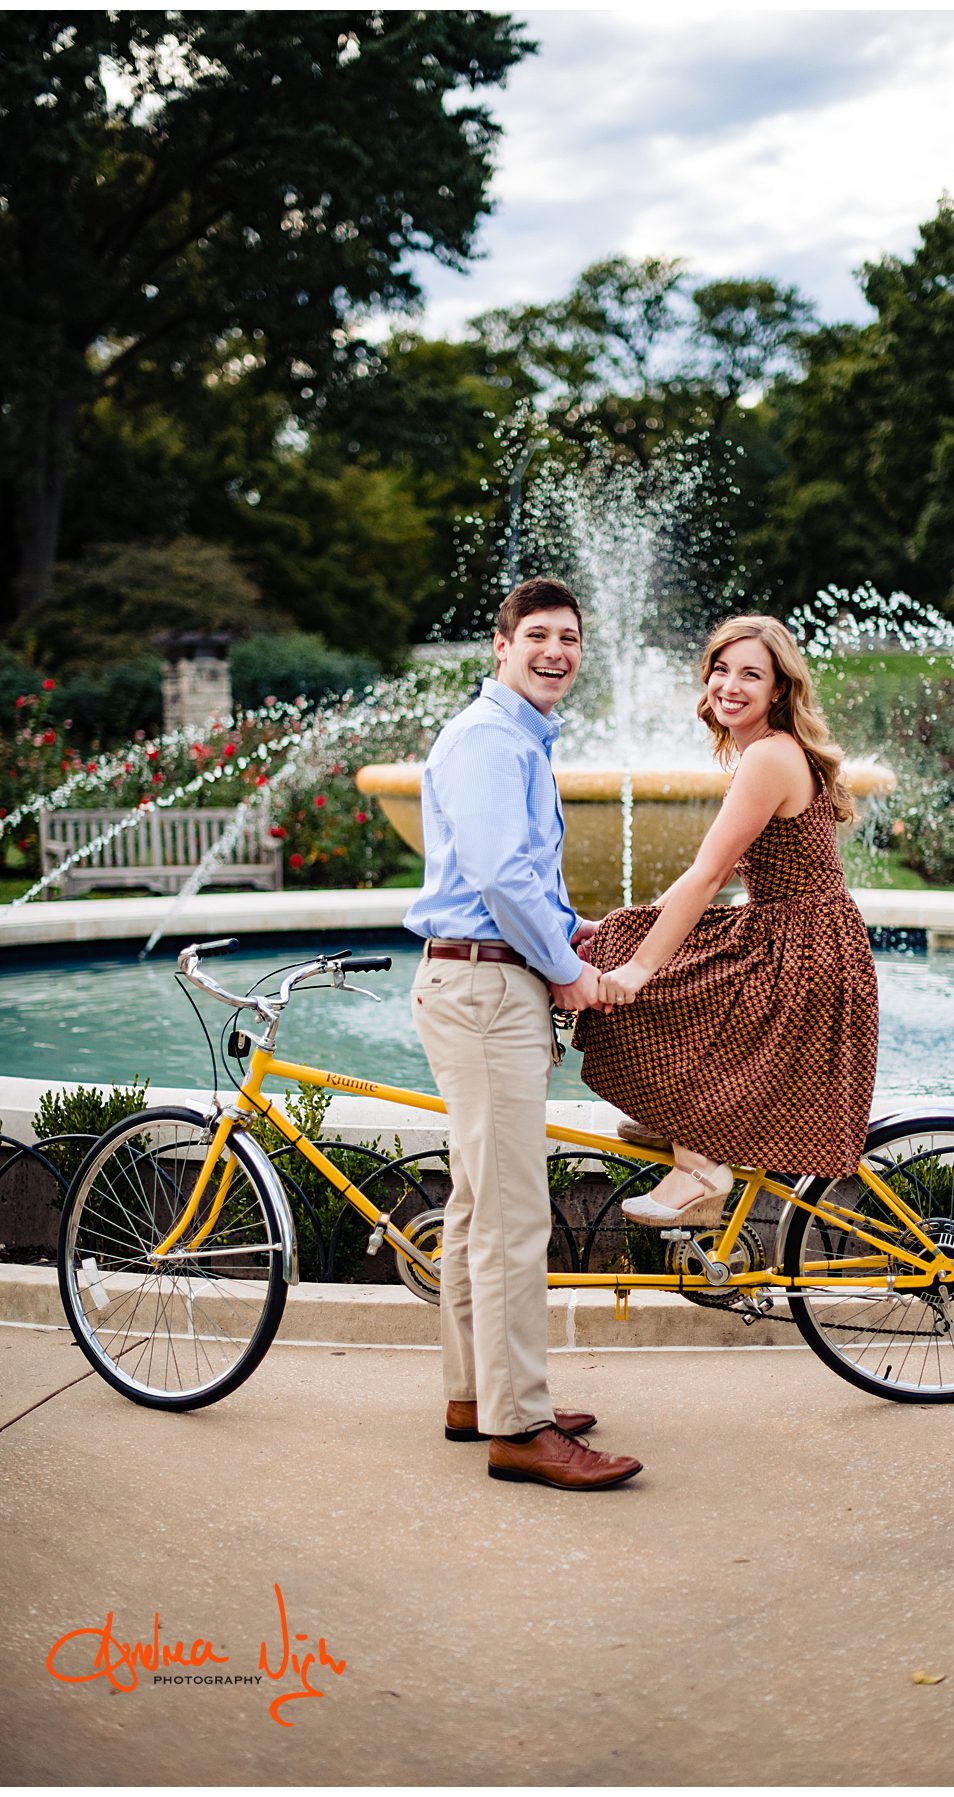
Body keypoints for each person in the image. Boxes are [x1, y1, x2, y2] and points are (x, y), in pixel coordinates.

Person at [406, 575, 642, 1491]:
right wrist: (568, 969)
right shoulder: (489, 739)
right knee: (511, 1215)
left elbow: (517, 875)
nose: (556, 651)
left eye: (570, 637)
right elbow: (501, 875)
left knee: (477, 1206)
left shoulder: (515, 740)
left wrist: (573, 925)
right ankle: (521, 1426)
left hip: (481, 979)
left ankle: (476, 1396)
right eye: (537, 634)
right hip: (484, 988)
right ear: (500, 646)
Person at [573, 615, 877, 1227]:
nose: (729, 685)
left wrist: (636, 967)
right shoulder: (770, 751)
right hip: (797, 934)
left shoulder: (768, 757)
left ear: (779, 690)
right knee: (625, 936)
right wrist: (628, 929)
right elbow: (733, 880)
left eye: (751, 674)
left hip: (804, 952)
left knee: (652, 983)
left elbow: (708, 875)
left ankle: (701, 1164)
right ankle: (687, 1119)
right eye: (721, 669)